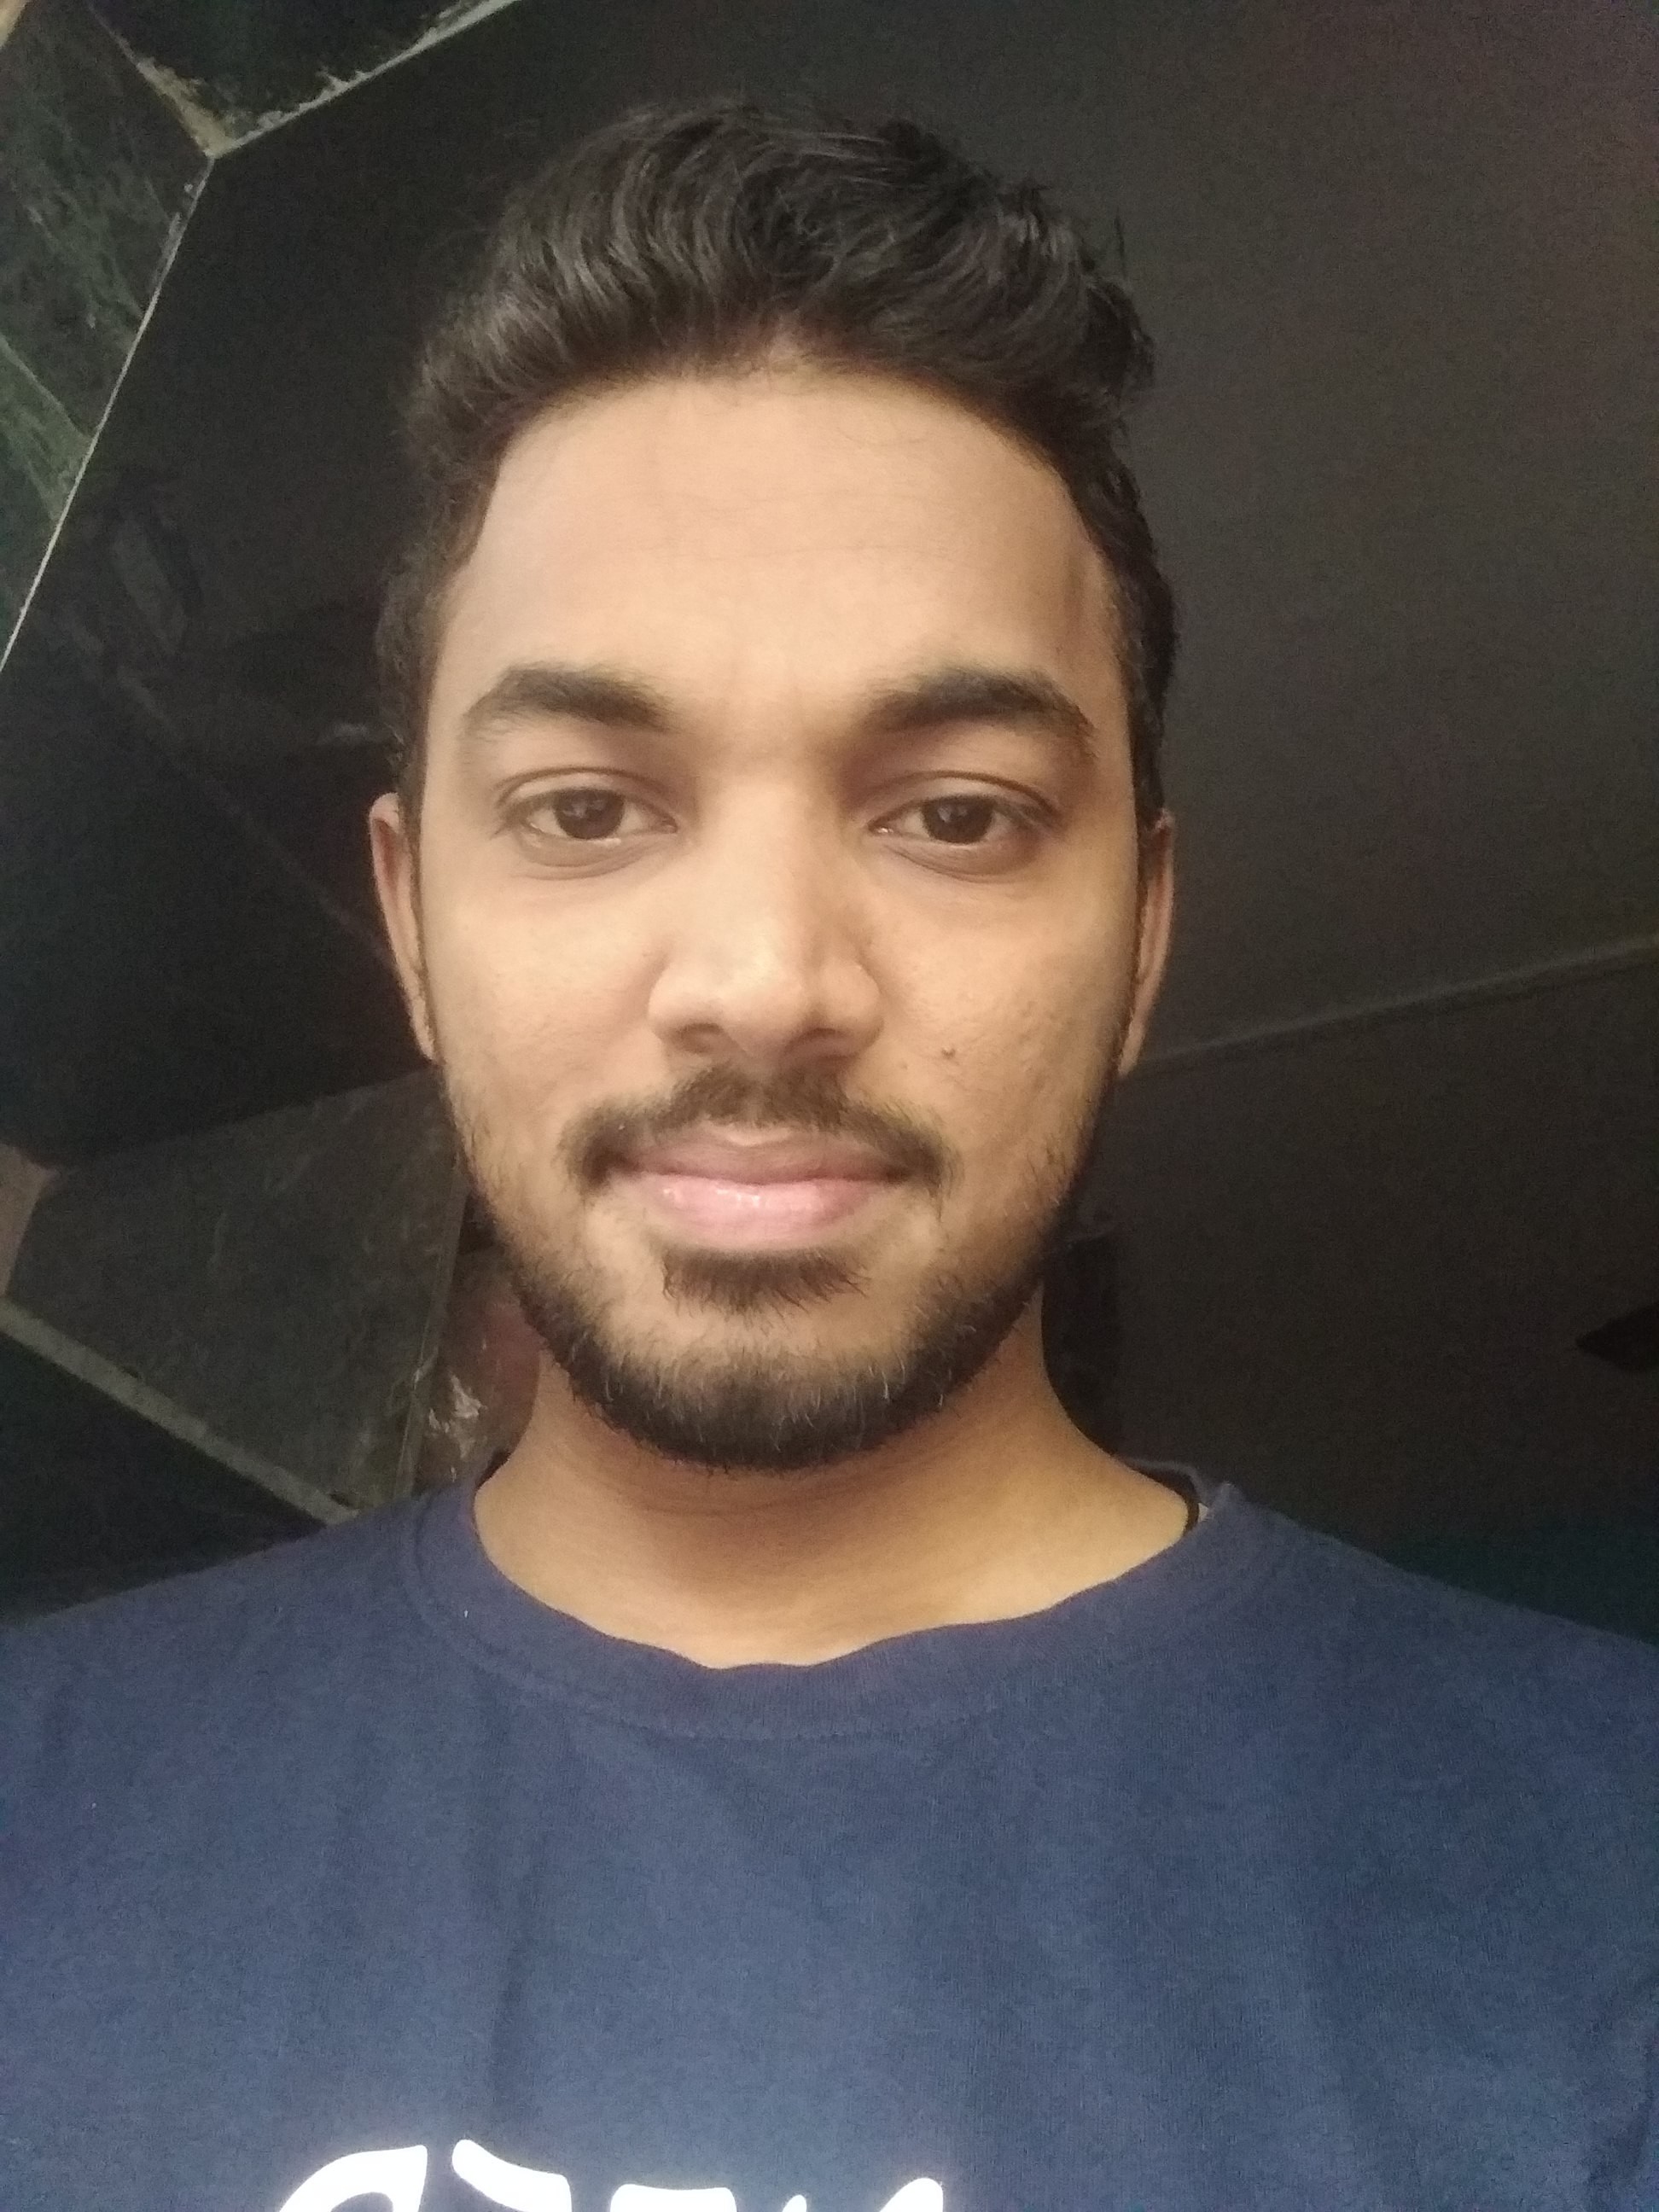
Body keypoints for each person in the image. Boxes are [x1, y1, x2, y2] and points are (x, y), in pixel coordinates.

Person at [3, 99, 1655, 2212]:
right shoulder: (37, 1817)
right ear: (411, 922)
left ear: (1142, 935)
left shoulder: (1605, 1884)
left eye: (953, 813)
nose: (766, 982)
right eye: (589, 807)